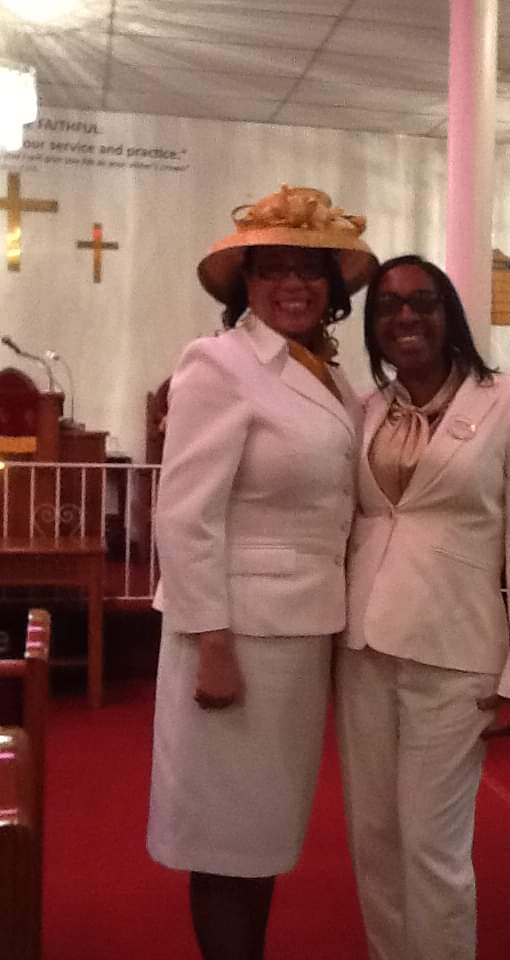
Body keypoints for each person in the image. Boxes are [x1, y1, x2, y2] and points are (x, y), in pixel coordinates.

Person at [147, 184, 377, 960]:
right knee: (224, 842)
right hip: (235, 639)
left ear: (333, 290)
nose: (294, 285)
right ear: (245, 283)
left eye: (310, 271)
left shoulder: (327, 376)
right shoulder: (217, 363)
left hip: (302, 636)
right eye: (274, 269)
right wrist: (211, 642)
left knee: (265, 835)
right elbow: (184, 515)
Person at [335, 254, 510, 960]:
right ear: (373, 327)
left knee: (433, 848)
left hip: (455, 652)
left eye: (423, 301)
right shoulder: (365, 410)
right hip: (364, 646)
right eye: (388, 306)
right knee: (372, 838)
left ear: (450, 314)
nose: (406, 316)